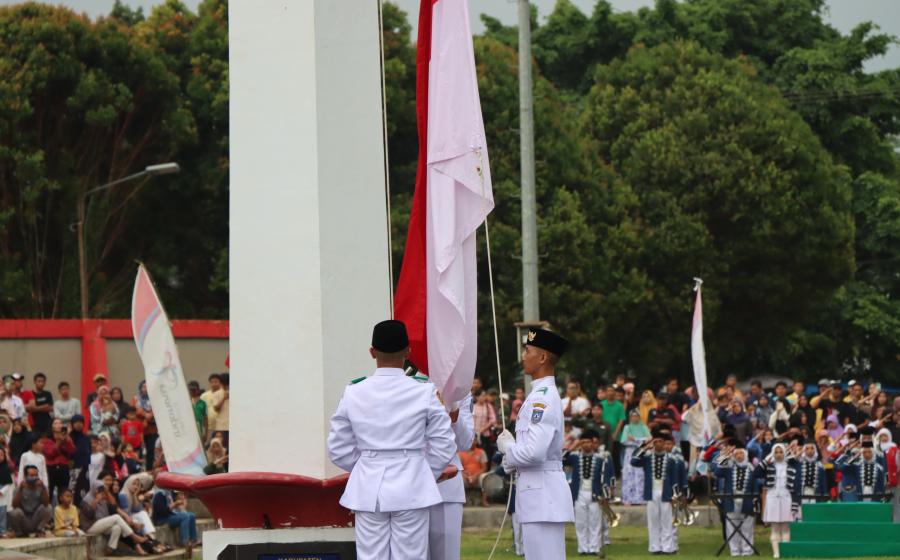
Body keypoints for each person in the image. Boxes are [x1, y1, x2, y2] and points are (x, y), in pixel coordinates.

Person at [327, 320, 456, 560]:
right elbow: (444, 442)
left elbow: (338, 448)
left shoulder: (354, 391)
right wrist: (423, 471)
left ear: (372, 352)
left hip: (368, 487)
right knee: (411, 556)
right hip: (412, 483)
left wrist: (368, 465)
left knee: (371, 556)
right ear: (408, 352)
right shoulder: (424, 390)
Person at [496, 328, 574, 560]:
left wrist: (508, 448)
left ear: (542, 357)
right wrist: (511, 459)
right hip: (537, 496)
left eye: (528, 351)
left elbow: (534, 453)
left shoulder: (542, 397)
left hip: (543, 497)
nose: (523, 356)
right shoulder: (539, 393)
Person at [430, 389, 474, 560]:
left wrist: (455, 415)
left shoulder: (459, 390)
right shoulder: (407, 382)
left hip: (446, 483)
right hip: (411, 481)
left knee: (447, 553)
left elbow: (466, 442)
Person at [630, 432, 685, 555]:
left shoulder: (671, 459)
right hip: (651, 492)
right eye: (655, 442)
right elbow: (633, 461)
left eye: (660, 442)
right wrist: (644, 447)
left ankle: (668, 547)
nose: (658, 444)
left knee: (667, 521)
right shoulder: (647, 458)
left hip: (666, 493)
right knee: (653, 521)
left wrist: (675, 495)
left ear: (664, 444)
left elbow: (674, 479)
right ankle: (655, 547)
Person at [564, 429, 613, 557]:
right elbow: (560, 459)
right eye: (583, 442)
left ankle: (594, 548)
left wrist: (605, 496)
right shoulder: (574, 457)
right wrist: (573, 446)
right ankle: (583, 548)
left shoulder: (600, 459)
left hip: (595, 494)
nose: (586, 444)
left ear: (592, 443)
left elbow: (605, 478)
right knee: (581, 523)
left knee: (595, 523)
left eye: (588, 442)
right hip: (579, 494)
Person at [82, 471, 148, 555]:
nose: (99, 492)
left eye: (101, 490)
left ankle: (110, 549)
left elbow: (113, 505)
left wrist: (106, 492)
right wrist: (96, 501)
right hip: (90, 526)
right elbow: (90, 515)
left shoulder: (103, 497)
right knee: (116, 517)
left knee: (117, 528)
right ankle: (134, 536)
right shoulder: (86, 500)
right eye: (98, 490)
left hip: (101, 524)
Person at [713, 441, 758, 557]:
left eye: (741, 453)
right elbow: (717, 472)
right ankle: (735, 550)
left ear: (745, 455)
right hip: (731, 501)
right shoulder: (729, 468)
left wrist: (755, 502)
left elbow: (755, 487)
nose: (739, 456)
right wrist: (723, 456)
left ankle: (747, 550)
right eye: (736, 454)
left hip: (747, 501)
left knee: (747, 526)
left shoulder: (751, 468)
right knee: (731, 526)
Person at [755, 443, 797, 558]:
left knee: (785, 527)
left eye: (781, 452)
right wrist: (767, 459)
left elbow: (795, 486)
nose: (778, 454)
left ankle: (785, 552)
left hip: (786, 498)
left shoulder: (791, 466)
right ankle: (776, 553)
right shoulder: (768, 466)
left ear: (784, 453)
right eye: (776, 452)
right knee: (775, 527)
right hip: (772, 498)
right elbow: (756, 473)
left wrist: (794, 503)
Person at [9, 465, 51, 536]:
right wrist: (21, 490)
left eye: (36, 475)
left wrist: (43, 488)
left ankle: (39, 530)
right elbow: (14, 506)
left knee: (48, 508)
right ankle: (19, 533)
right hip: (24, 519)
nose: (34, 477)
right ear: (25, 476)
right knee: (14, 512)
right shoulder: (19, 488)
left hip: (35, 518)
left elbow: (46, 503)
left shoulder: (41, 487)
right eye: (31, 475)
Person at [620, 409, 650, 505]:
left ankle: (641, 499)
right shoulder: (627, 427)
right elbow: (624, 441)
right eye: (632, 416)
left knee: (640, 474)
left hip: (640, 453)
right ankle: (628, 499)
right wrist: (640, 441)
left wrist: (635, 439)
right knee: (628, 475)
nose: (634, 418)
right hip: (629, 453)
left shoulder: (644, 427)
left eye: (636, 416)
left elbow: (649, 440)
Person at [41, 419, 74, 503]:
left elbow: (72, 450)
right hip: (51, 467)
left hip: (63, 467)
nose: (59, 425)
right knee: (49, 491)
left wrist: (67, 439)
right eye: (56, 423)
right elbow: (49, 454)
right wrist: (59, 442)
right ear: (51, 426)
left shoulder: (66, 437)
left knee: (63, 492)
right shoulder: (46, 439)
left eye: (60, 423)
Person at [134, 381, 159, 469]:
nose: (145, 389)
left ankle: (150, 468)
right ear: (140, 388)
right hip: (140, 430)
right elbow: (135, 411)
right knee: (139, 449)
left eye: (147, 386)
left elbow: (157, 409)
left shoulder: (155, 399)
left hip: (152, 429)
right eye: (143, 387)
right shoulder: (136, 398)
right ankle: (139, 468)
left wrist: (149, 415)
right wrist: (146, 415)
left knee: (151, 449)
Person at [794, 439, 826, 506]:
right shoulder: (799, 464)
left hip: (816, 493)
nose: (810, 451)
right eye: (807, 449)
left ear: (815, 450)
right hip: (802, 493)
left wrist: (824, 497)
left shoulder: (820, 465)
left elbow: (823, 482)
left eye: (812, 448)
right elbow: (796, 482)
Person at [0, 448, 14, 536]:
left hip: (2, 494)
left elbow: (9, 483)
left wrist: (2, 491)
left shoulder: (5, 469)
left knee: (2, 513)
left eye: (2, 455)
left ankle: (2, 531)